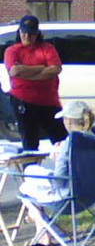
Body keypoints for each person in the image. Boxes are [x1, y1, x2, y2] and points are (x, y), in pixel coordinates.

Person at [19, 100, 95, 245]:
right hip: (93, 193)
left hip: (68, 198)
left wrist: (58, 156)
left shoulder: (69, 144)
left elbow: (59, 181)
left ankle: (44, 233)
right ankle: (41, 231)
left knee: (25, 187)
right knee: (31, 174)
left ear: (67, 121)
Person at [3, 15, 67, 152]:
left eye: (31, 34)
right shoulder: (12, 50)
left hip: (49, 102)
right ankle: (30, 170)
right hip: (23, 101)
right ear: (19, 32)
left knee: (62, 140)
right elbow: (14, 71)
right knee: (30, 142)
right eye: (23, 32)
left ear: (37, 33)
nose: (26, 36)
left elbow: (56, 69)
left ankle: (66, 170)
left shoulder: (47, 48)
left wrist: (26, 74)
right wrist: (42, 68)